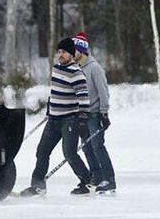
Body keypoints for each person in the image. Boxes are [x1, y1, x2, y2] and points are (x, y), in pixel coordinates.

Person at [19, 37, 92, 197]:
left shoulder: (77, 74)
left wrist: (82, 118)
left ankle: (88, 181)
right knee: (42, 151)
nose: (60, 55)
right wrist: (50, 108)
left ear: (72, 54)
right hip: (53, 119)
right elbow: (55, 91)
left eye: (64, 52)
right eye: (59, 52)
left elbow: (84, 98)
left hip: (69, 120)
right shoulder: (57, 69)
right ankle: (38, 186)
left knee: (69, 153)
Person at [72, 31, 115, 194]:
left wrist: (104, 113)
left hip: (95, 114)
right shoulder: (76, 69)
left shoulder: (94, 68)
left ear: (81, 51)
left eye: (73, 51)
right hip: (82, 115)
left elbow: (103, 92)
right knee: (86, 148)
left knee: (98, 147)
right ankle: (96, 178)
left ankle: (109, 180)